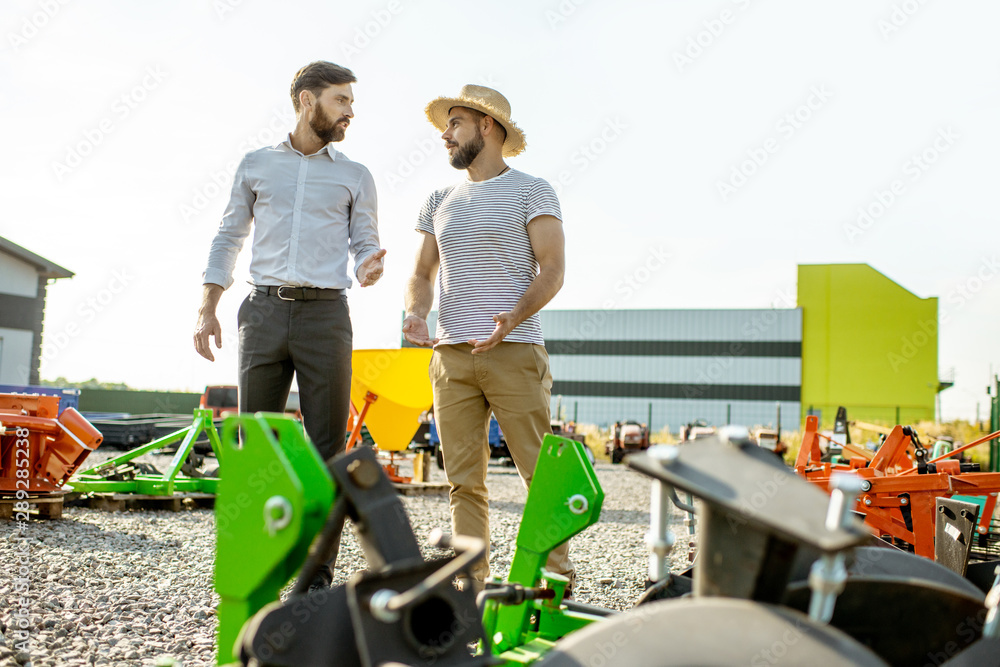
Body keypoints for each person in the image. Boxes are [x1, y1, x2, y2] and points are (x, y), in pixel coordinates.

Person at [402, 84, 571, 592]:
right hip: (451, 356)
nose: (445, 136)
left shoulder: (532, 190)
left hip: (514, 351)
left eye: (453, 124)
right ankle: (471, 586)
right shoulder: (438, 200)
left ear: (487, 126)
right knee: (463, 483)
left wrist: (513, 318)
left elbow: (554, 269)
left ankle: (552, 581)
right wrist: (414, 312)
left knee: (539, 474)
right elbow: (422, 273)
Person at [194, 61, 385, 465]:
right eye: (341, 100)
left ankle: (322, 532)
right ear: (306, 100)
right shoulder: (255, 164)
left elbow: (365, 242)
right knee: (255, 448)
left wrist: (367, 264)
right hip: (263, 313)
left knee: (328, 451)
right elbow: (228, 237)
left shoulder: (356, 175)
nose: (350, 111)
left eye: (351, 101)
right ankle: (258, 531)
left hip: (326, 317)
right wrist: (207, 308)